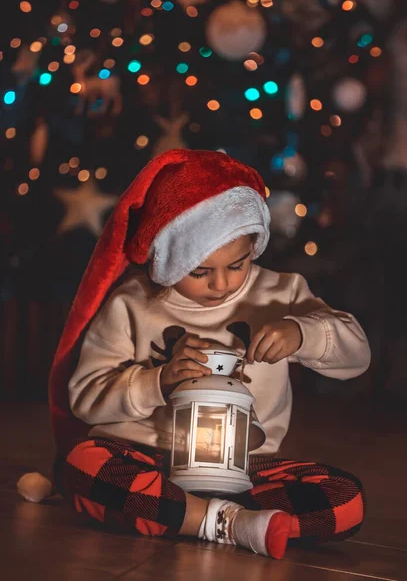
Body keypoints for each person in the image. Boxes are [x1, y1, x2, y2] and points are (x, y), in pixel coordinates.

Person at [47, 149, 371, 560]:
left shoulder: (281, 293)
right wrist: (157, 381)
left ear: (256, 242)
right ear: (167, 258)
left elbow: (358, 356)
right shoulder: (132, 304)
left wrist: (302, 333)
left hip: (246, 470)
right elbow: (86, 398)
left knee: (344, 499)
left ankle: (185, 515)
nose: (222, 283)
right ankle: (227, 523)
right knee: (80, 466)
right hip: (148, 459)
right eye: (199, 271)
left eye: (238, 265)